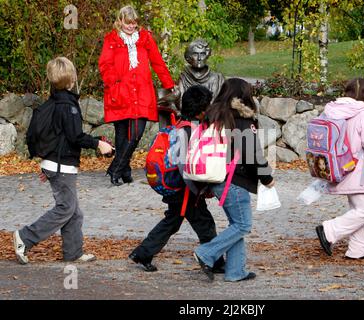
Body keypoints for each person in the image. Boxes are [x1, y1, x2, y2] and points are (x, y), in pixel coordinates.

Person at [12, 57, 113, 264]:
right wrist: (98, 144)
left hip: (55, 164)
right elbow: (75, 136)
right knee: (66, 208)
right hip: (62, 166)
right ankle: (25, 237)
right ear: (71, 78)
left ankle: (73, 252)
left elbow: (56, 136)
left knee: (74, 213)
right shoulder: (69, 106)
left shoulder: (54, 102)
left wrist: (47, 164)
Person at [128, 85, 225, 273]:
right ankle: (215, 262)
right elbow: (188, 166)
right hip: (186, 190)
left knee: (172, 221)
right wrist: (201, 189)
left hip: (176, 187)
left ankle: (143, 253)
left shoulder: (179, 125)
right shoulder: (190, 132)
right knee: (205, 224)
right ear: (200, 112)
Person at [193, 78, 275, 282]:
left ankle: (236, 271)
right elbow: (251, 153)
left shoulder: (214, 114)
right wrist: (267, 178)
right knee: (243, 225)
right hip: (234, 180)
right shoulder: (241, 118)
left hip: (215, 177)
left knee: (235, 224)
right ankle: (206, 253)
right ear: (244, 96)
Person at [315, 78, 364, 260]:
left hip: (340, 167)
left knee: (359, 207)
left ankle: (358, 248)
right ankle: (328, 231)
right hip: (360, 170)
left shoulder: (333, 111)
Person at [98, 5, 175, 186]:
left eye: (133, 23)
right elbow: (105, 64)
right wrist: (114, 83)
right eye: (127, 23)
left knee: (136, 134)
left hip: (141, 93)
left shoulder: (145, 38)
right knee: (122, 134)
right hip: (120, 93)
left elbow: (157, 62)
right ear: (120, 21)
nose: (131, 27)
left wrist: (169, 84)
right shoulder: (112, 39)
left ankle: (115, 169)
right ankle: (125, 171)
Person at [177, 38, 225, 109]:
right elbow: (181, 104)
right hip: (190, 117)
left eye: (202, 54)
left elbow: (222, 104)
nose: (199, 58)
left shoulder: (218, 78)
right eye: (195, 54)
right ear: (189, 57)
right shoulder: (184, 77)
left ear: (207, 56)